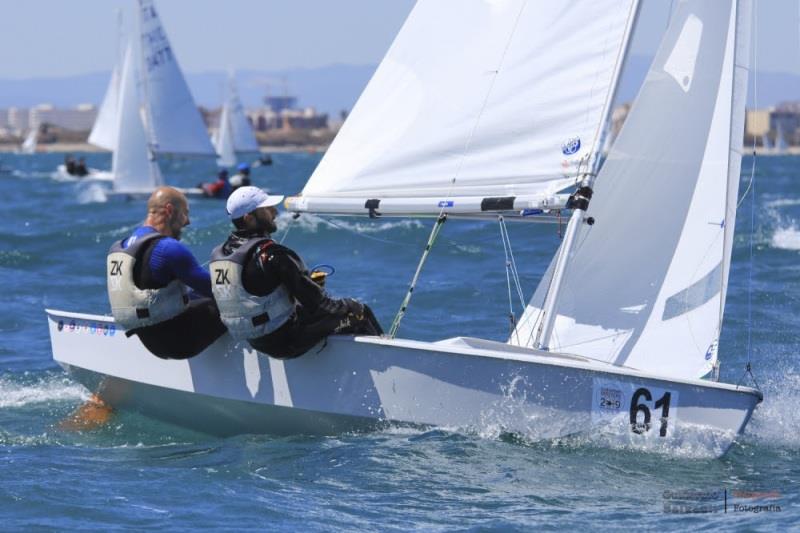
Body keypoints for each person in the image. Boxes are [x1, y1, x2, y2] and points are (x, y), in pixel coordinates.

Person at [209, 186, 382, 359]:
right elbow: (319, 304)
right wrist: (340, 305)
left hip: (255, 341)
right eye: (267, 209)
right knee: (358, 311)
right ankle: (381, 363)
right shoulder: (272, 254)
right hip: (286, 341)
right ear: (249, 218)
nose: (275, 212)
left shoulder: (220, 255)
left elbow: (252, 294)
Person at [107, 186, 227, 359]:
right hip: (179, 343)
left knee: (194, 295)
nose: (188, 222)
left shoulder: (120, 248)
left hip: (148, 342)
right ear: (170, 210)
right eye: (185, 213)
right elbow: (218, 291)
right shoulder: (168, 249)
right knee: (229, 302)